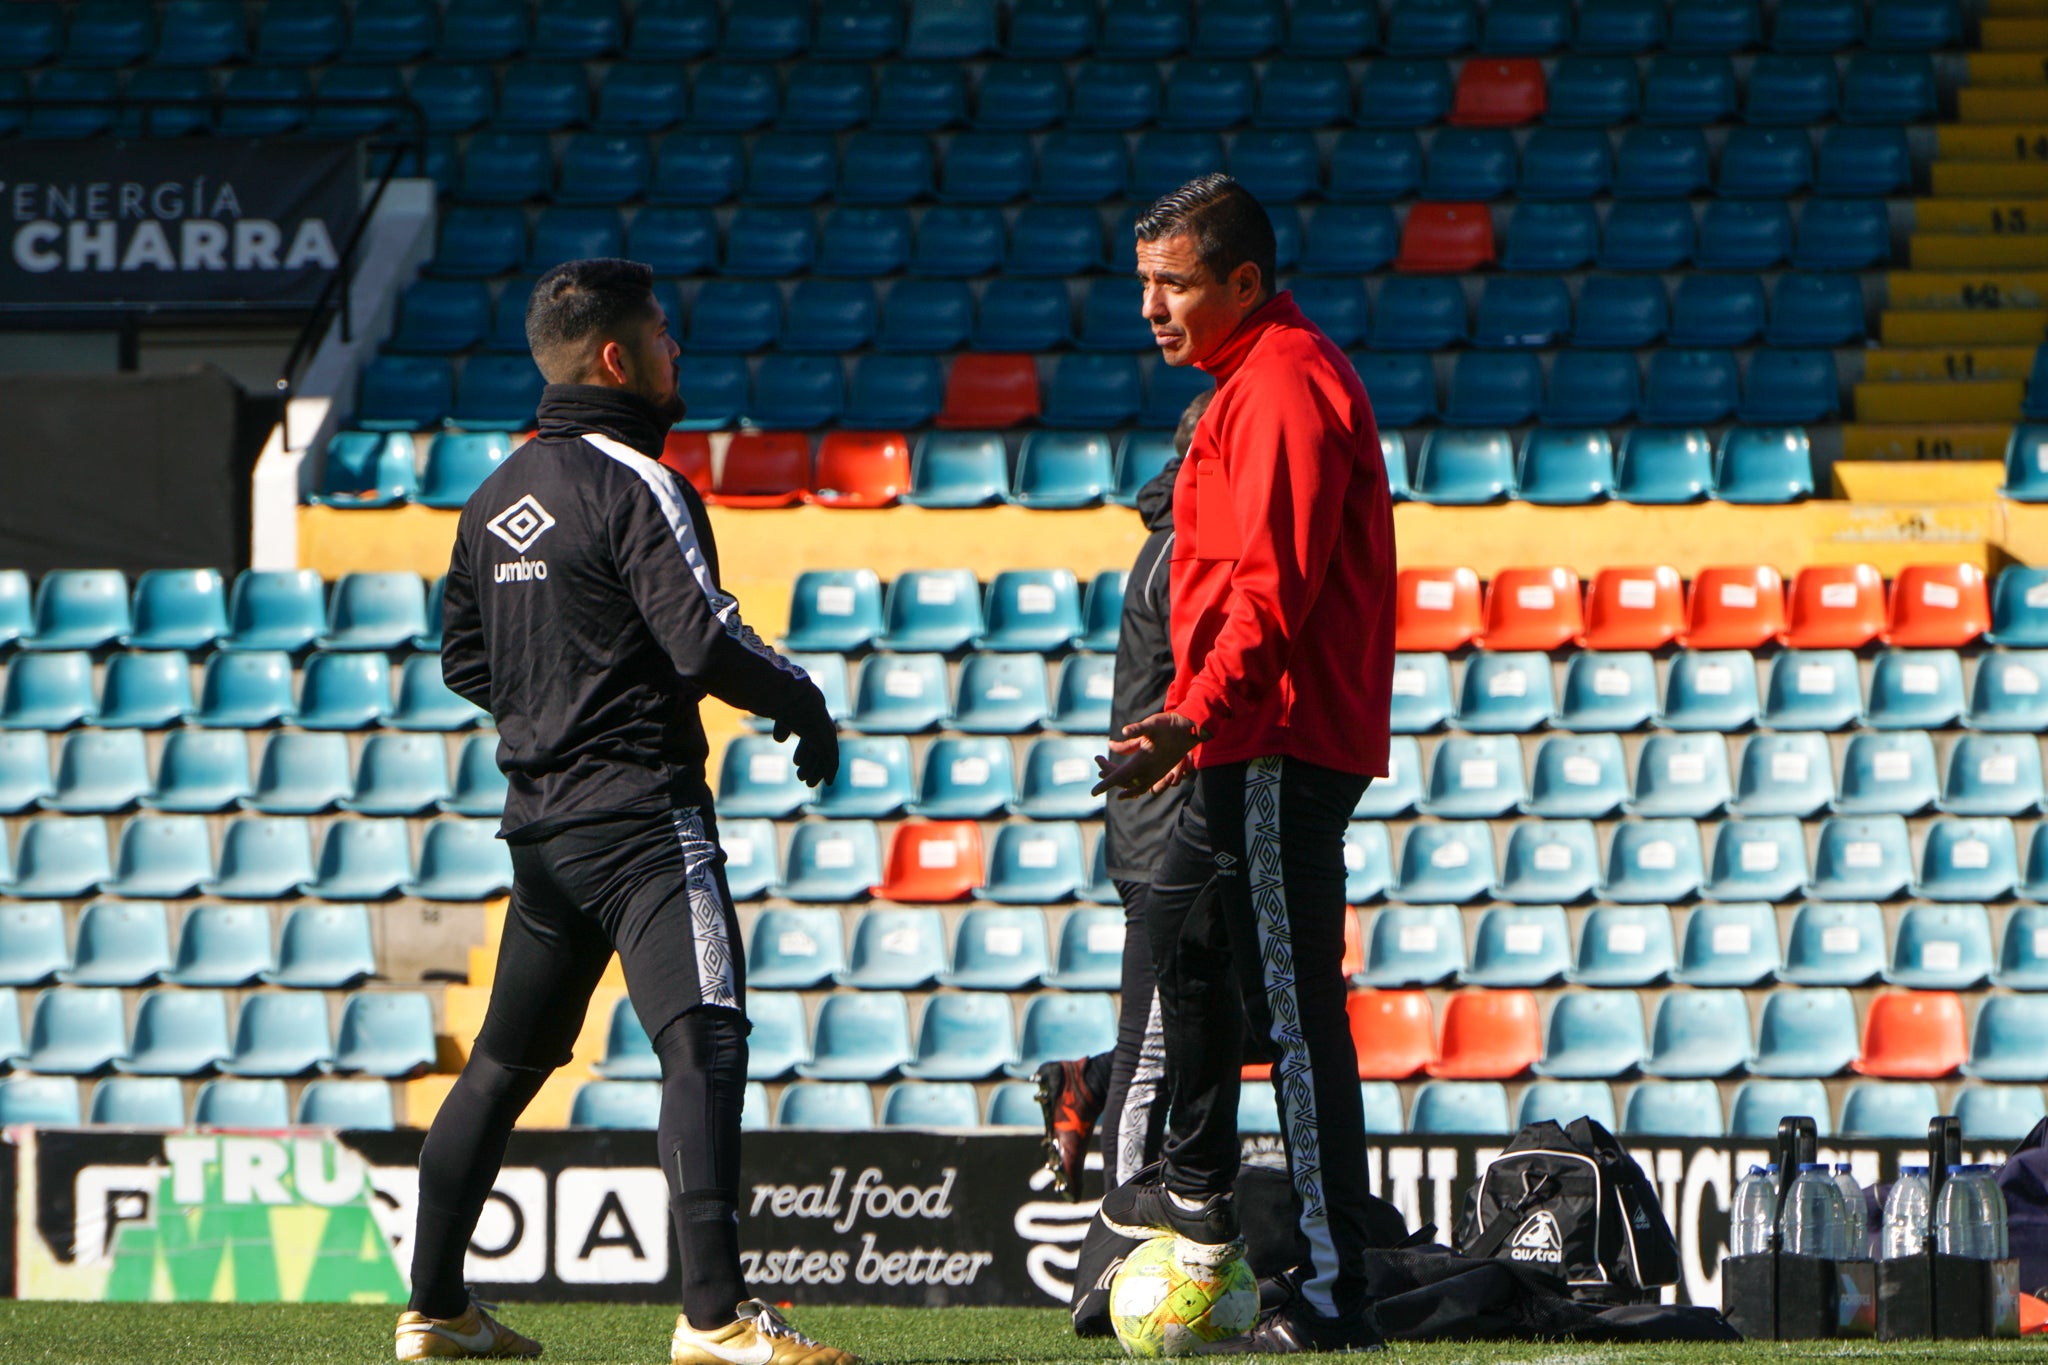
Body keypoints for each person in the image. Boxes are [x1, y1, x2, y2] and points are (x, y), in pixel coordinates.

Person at [397, 257, 858, 1365]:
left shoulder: (493, 494)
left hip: (544, 832)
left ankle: (436, 1310)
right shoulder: (638, 482)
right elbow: (703, 637)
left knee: (504, 1067)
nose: (676, 350)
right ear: (619, 358)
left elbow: (467, 657)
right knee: (703, 1043)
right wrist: (801, 701)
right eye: (662, 334)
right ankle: (715, 1320)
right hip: (646, 821)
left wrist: (559, 696)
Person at [1093, 175, 1397, 1354]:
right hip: (1240, 735)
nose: (1151, 309)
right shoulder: (1244, 385)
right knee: (1186, 945)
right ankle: (1196, 1209)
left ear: (1242, 283)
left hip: (1269, 741)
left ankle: (1326, 1291)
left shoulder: (1277, 384)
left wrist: (1191, 716)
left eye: (1171, 284)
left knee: (1295, 1009)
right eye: (1142, 285)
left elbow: (1270, 592)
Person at [1036, 389, 1212, 1200]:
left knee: (1225, 1027)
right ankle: (1120, 1235)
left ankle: (1087, 1080)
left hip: (1189, 826)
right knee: (1156, 1054)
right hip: (1163, 835)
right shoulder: (1183, 552)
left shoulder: (1187, 541)